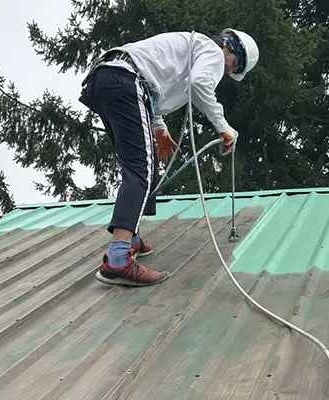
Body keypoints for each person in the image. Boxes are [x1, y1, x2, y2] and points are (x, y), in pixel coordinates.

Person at [79, 28, 259, 287]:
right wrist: (224, 128)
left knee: (140, 164)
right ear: (231, 49)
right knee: (141, 169)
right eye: (233, 66)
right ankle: (118, 259)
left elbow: (153, 88)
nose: (227, 72)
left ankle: (131, 238)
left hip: (105, 80)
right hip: (125, 82)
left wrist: (159, 129)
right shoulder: (212, 51)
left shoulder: (190, 48)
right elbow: (199, 84)